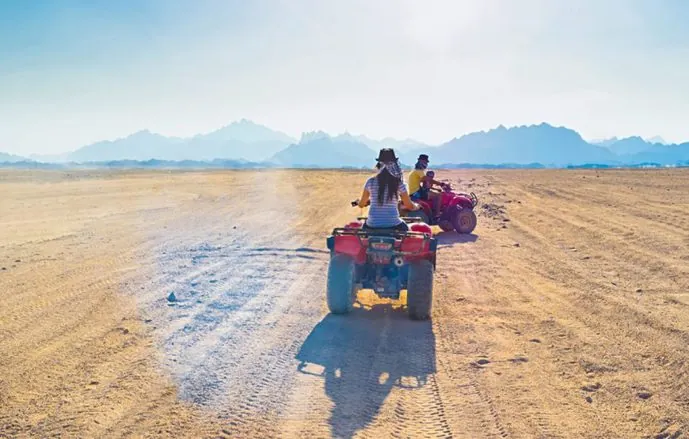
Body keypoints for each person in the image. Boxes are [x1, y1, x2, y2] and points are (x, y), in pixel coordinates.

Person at [356, 148, 419, 231]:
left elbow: (361, 204)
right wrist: (416, 206)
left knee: (363, 232)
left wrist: (358, 202)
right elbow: (409, 205)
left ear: (378, 164)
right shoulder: (398, 183)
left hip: (372, 225)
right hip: (394, 224)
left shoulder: (370, 182)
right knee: (407, 232)